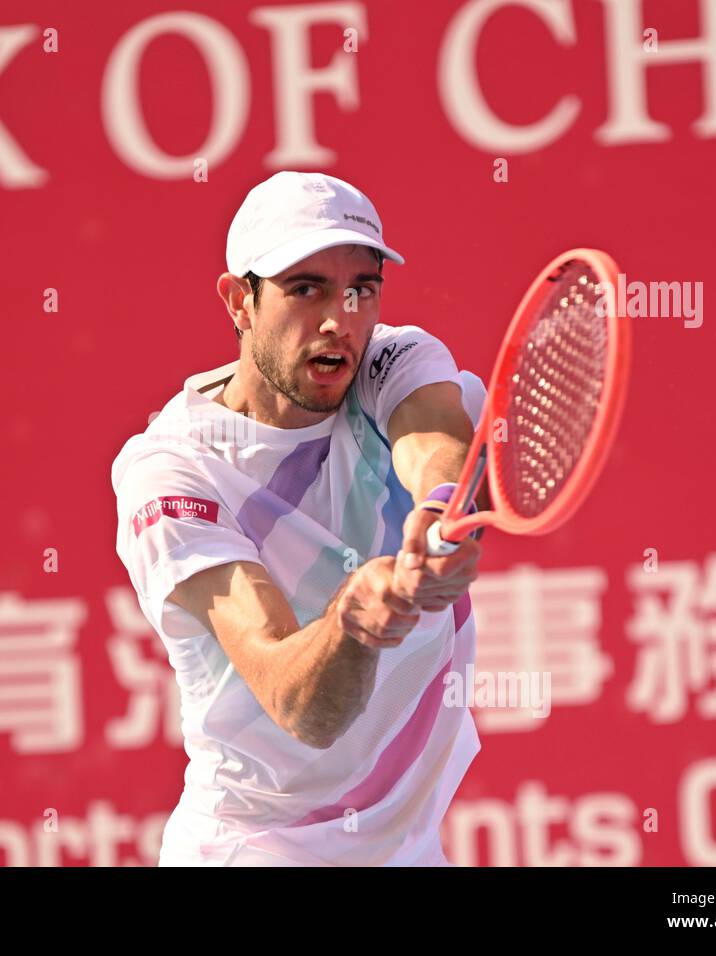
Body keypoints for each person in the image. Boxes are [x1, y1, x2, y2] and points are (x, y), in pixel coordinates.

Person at [111, 171, 488, 866]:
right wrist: (354, 620)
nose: (338, 319)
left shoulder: (391, 361)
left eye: (360, 289)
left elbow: (434, 442)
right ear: (240, 301)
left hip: (403, 847)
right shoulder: (173, 473)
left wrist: (439, 511)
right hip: (257, 849)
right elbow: (297, 703)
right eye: (304, 287)